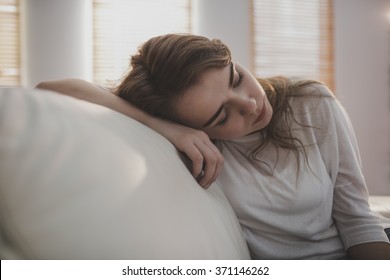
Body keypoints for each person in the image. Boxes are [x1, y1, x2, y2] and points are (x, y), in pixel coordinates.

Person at [37, 33, 390, 259]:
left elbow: (357, 217)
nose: (250, 104)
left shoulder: (310, 101)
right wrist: (163, 127)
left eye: (236, 78)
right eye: (222, 116)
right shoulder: (195, 148)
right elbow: (52, 89)